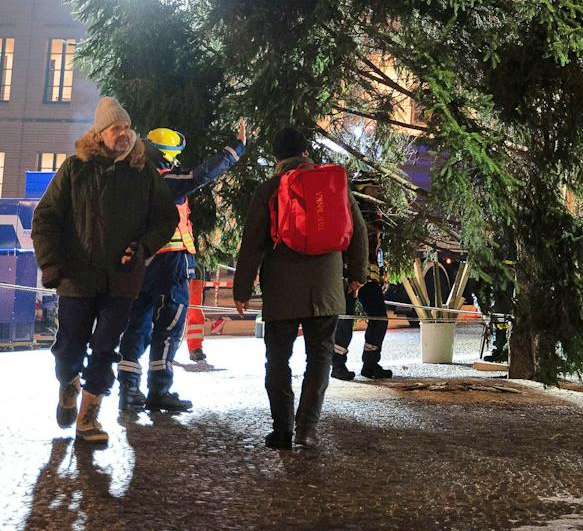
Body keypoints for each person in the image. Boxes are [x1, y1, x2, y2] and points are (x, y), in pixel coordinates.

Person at [31, 97, 177, 446]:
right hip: (77, 278)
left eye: (127, 127)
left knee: (105, 349)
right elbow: (45, 217)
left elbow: (165, 217)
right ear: (99, 134)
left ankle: (89, 416)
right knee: (68, 349)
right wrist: (50, 264)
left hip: (122, 279)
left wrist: (143, 248)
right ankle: (68, 385)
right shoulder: (75, 169)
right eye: (116, 128)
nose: (124, 134)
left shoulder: (142, 172)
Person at [233, 126, 367, 449]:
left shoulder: (269, 189)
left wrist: (242, 289)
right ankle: (307, 428)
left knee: (278, 359)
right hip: (326, 288)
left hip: (282, 288)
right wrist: (357, 274)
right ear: (306, 152)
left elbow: (252, 243)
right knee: (320, 357)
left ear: (276, 158)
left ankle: (282, 431)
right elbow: (358, 229)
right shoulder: (333, 184)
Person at [116, 121, 246, 413]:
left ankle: (128, 391)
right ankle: (159, 390)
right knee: (169, 325)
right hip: (170, 263)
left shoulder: (131, 180)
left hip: (140, 265)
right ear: (168, 154)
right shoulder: (164, 178)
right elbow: (200, 175)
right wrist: (234, 150)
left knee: (136, 326)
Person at [332, 187, 391, 380]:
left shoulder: (374, 211)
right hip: (350, 275)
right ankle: (337, 365)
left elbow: (376, 246)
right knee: (345, 319)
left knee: (380, 317)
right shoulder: (351, 209)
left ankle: (371, 364)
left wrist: (380, 273)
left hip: (370, 276)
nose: (378, 191)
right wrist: (351, 275)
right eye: (374, 188)